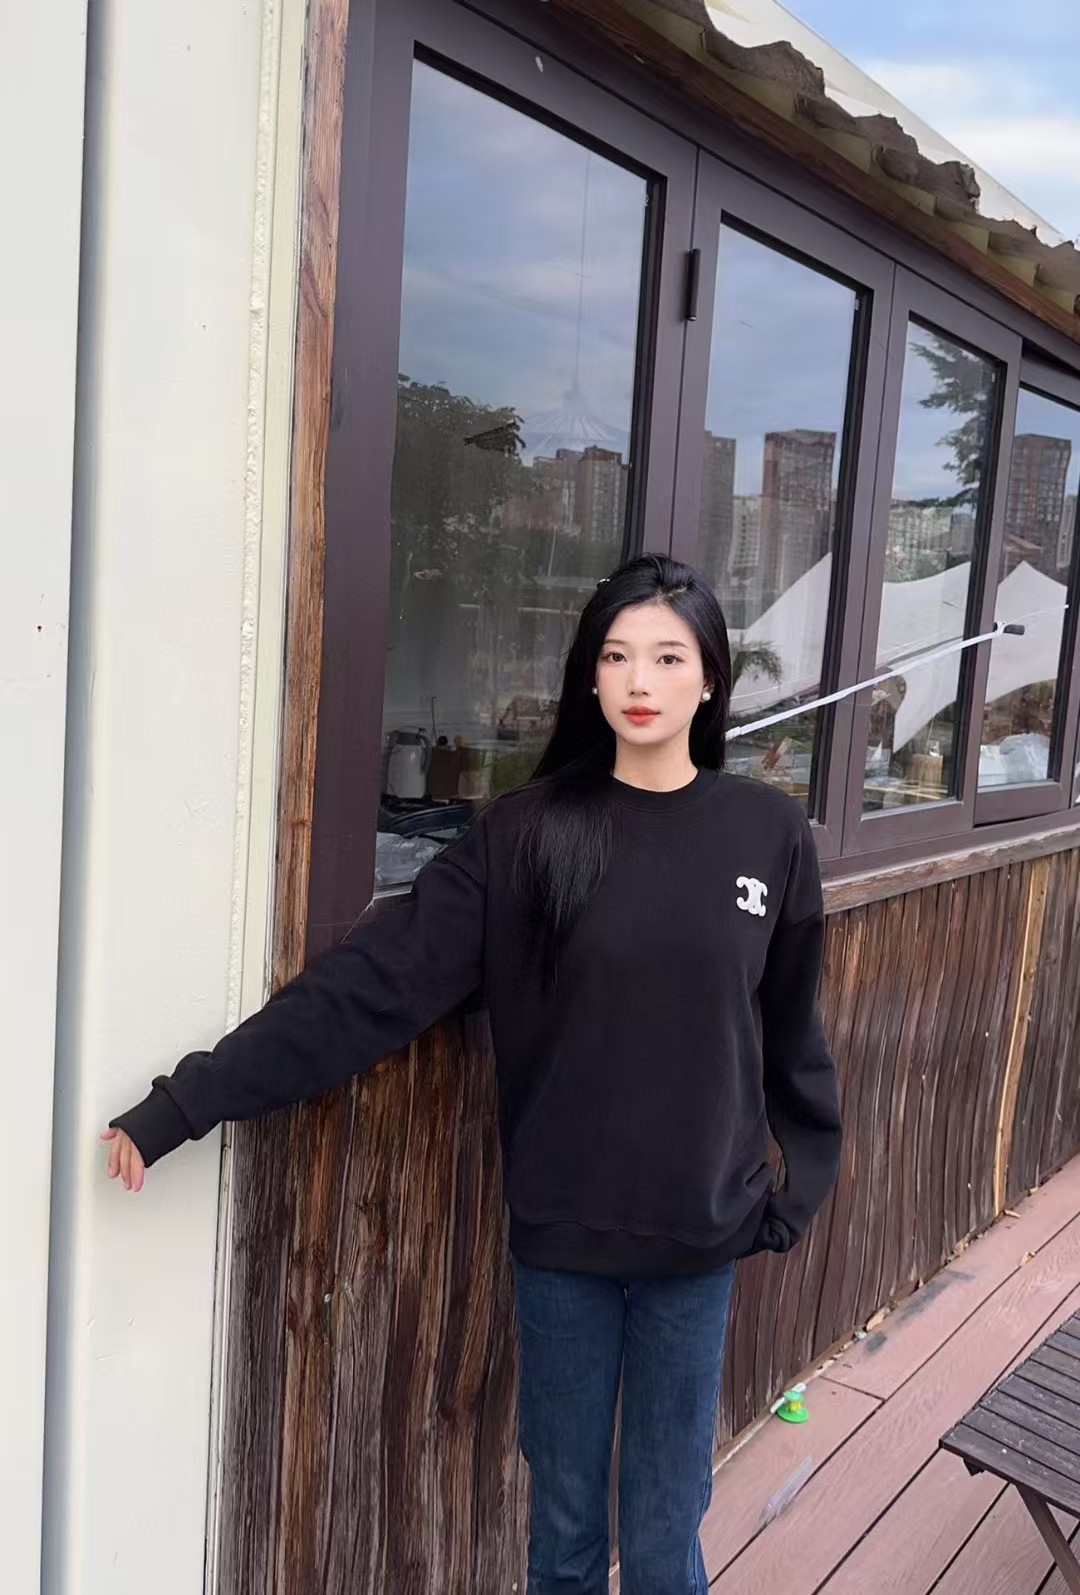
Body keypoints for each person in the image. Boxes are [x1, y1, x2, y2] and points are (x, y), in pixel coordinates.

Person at [103, 553, 842, 1595]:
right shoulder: (526, 835)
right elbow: (370, 989)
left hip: (698, 1242)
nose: (640, 679)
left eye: (669, 657)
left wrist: (796, 1188)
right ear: (590, 677)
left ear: (709, 678)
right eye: (617, 655)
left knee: (666, 1529)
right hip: (562, 1245)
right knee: (566, 1535)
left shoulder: (767, 833)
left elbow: (791, 1029)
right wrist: (184, 1104)